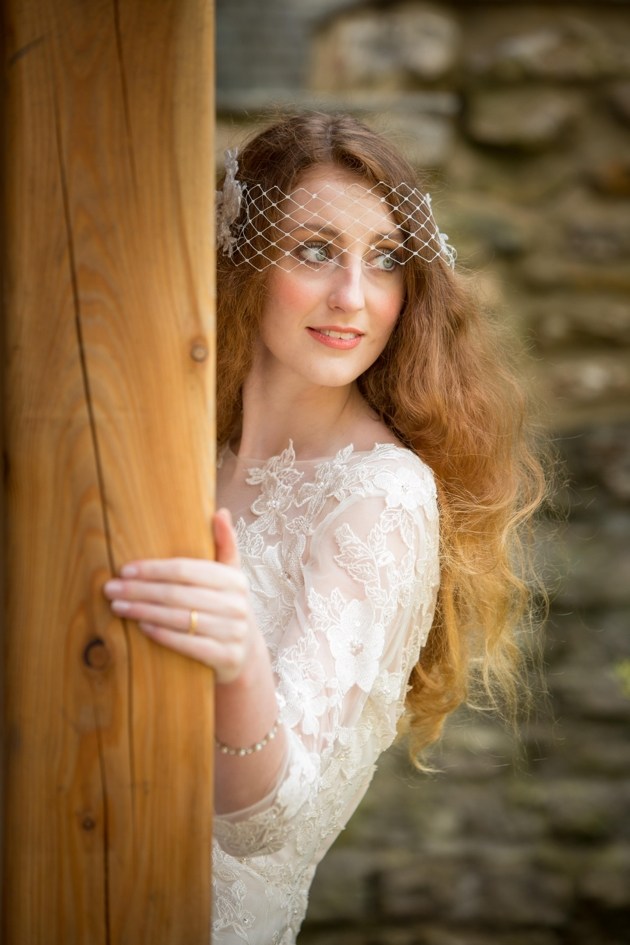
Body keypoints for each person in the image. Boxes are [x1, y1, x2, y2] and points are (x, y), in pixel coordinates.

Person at [103, 111, 546, 944]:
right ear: (245, 257)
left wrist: (237, 660)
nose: (353, 296)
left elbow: (269, 824)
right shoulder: (184, 445)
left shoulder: (380, 497)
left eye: (385, 260)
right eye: (314, 250)